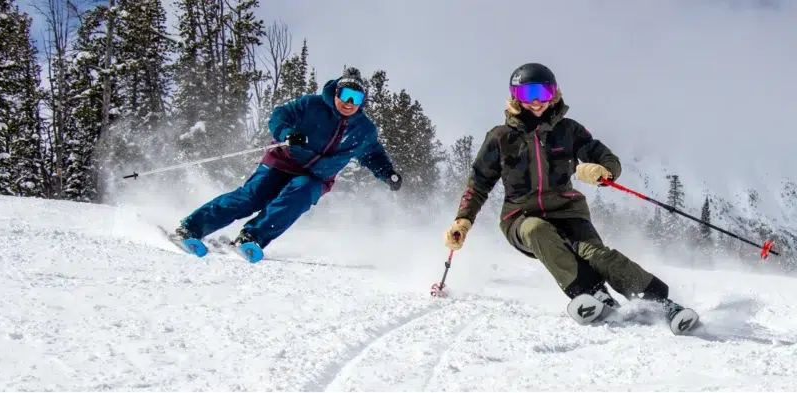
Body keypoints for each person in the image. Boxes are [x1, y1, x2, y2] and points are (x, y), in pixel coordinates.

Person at [443, 62, 689, 322]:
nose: (537, 102)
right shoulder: (500, 138)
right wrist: (463, 220)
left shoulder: (568, 130)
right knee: (537, 230)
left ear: (554, 94)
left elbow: (607, 158)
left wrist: (602, 171)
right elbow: (479, 183)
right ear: (515, 96)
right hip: (520, 216)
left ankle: (660, 303)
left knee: (598, 255)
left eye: (544, 93)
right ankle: (592, 292)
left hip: (568, 212)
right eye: (528, 94)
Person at [174, 67, 402, 255]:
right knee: (252, 197)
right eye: (345, 95)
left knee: (299, 195)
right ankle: (191, 228)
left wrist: (387, 173)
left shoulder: (363, 129)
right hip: (283, 162)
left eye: (357, 98)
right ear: (336, 94)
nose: (349, 103)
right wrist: (287, 134)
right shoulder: (312, 105)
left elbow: (373, 154)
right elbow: (279, 116)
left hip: (316, 176)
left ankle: (252, 237)